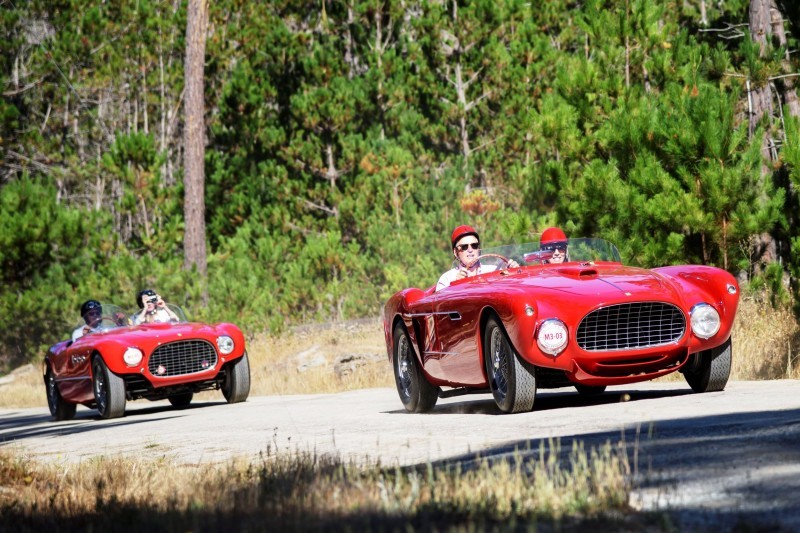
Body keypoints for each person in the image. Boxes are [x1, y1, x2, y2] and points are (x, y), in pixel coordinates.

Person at [436, 225, 519, 292]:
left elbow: (510, 290)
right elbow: (440, 307)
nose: (470, 250)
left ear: (478, 249)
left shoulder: (494, 270)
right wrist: (456, 285)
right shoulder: (447, 279)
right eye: (464, 247)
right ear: (455, 252)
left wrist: (515, 272)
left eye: (474, 245)